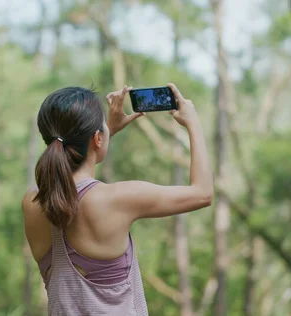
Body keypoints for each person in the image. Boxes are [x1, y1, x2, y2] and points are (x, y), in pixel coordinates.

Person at [21, 83, 213, 315]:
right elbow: (202, 193)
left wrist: (103, 132)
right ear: (97, 139)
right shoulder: (116, 200)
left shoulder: (33, 202)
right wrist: (193, 122)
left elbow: (73, 181)